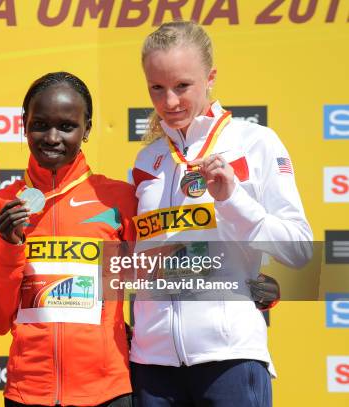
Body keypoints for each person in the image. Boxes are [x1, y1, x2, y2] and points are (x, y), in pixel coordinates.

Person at [129, 21, 313, 406]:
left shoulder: (255, 142)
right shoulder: (148, 160)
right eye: (157, 88)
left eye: (183, 86)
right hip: (152, 366)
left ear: (210, 78)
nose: (170, 102)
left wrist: (232, 200)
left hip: (229, 359)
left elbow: (299, 250)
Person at [0, 72, 134, 407]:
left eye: (66, 126)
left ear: (87, 129)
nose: (51, 137)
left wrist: (252, 280)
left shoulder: (118, 200)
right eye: (40, 124)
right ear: (24, 124)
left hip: (107, 391)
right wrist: (10, 245)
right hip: (29, 392)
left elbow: (166, 275)